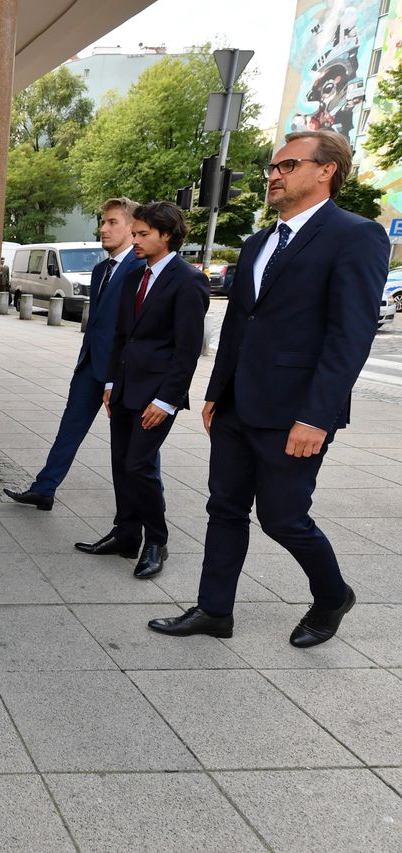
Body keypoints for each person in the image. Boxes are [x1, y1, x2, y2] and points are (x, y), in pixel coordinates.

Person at [150, 130, 390, 646]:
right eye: (272, 169)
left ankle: (332, 596)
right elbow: (239, 323)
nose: (274, 176)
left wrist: (318, 416)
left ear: (326, 171)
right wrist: (216, 392)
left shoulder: (356, 235)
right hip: (238, 403)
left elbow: (349, 335)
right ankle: (214, 610)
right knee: (224, 509)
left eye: (287, 166)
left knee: (283, 518)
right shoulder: (260, 241)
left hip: (295, 411)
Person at [76, 201, 209, 579]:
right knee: (122, 464)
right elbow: (123, 336)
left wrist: (166, 401)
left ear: (166, 235)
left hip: (157, 395)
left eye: (142, 234)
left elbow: (187, 352)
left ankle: (157, 541)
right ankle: (125, 534)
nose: (134, 240)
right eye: (133, 233)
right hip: (124, 389)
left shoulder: (188, 280)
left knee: (140, 465)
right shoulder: (136, 276)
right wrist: (111, 383)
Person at [5, 198, 142, 511]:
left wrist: (120, 375)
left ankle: (150, 521)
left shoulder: (139, 270)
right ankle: (44, 489)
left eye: (112, 223)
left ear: (133, 229)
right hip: (90, 366)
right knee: (69, 429)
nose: (103, 228)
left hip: (121, 374)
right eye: (103, 222)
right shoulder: (100, 270)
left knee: (136, 449)